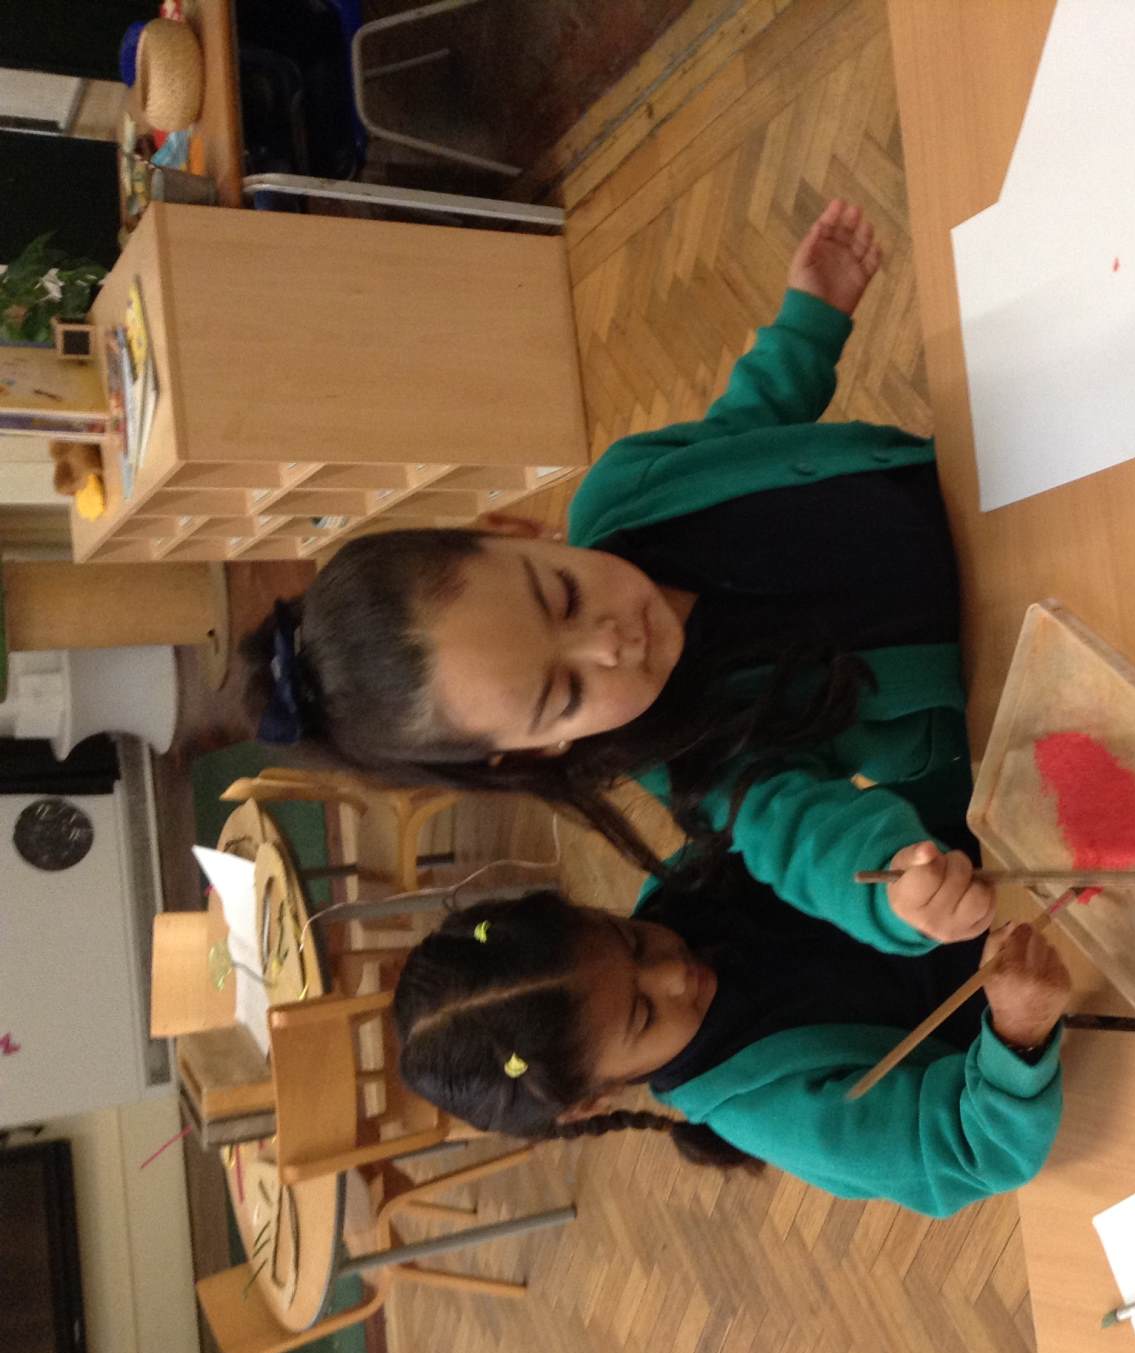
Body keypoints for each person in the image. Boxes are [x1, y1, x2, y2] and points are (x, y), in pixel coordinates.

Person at [238, 200, 990, 955]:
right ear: (539, 751)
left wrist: (810, 319)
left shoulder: (628, 490)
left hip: (980, 484)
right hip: (1002, 668)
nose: (610, 643)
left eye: (562, 596)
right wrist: (890, 890)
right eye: (566, 692)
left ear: (518, 530)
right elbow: (796, 837)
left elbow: (743, 425)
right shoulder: (694, 762)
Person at [392, 872, 1072, 1218]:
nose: (672, 971)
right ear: (594, 1100)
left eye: (630, 940)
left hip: (1036, 888)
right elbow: (973, 1154)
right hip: (1070, 1028)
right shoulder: (779, 1112)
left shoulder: (692, 890)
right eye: (642, 1014)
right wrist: (1018, 1036)